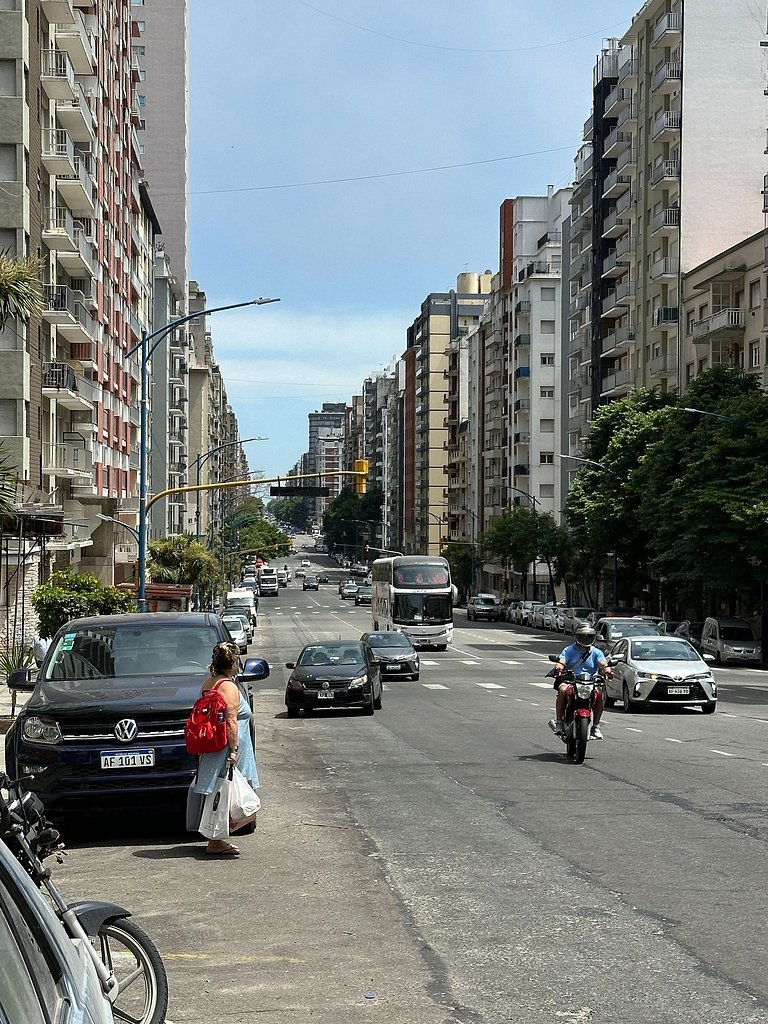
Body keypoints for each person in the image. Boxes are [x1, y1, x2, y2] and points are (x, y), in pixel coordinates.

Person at [193, 641, 260, 856]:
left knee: (221, 793)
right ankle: (216, 839)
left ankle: (217, 838)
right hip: (228, 746)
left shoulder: (208, 683)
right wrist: (233, 750)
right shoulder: (228, 686)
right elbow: (230, 720)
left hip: (214, 745)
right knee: (232, 795)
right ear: (232, 665)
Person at [549, 624, 612, 741]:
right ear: (577, 636)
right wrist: (558, 667)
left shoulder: (596, 652)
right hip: (570, 680)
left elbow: (603, 664)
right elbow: (561, 661)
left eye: (589, 636)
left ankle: (596, 726)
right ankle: (558, 721)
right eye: (583, 636)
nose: (585, 639)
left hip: (590, 682)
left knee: (601, 694)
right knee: (563, 690)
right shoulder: (568, 650)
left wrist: (607, 670)